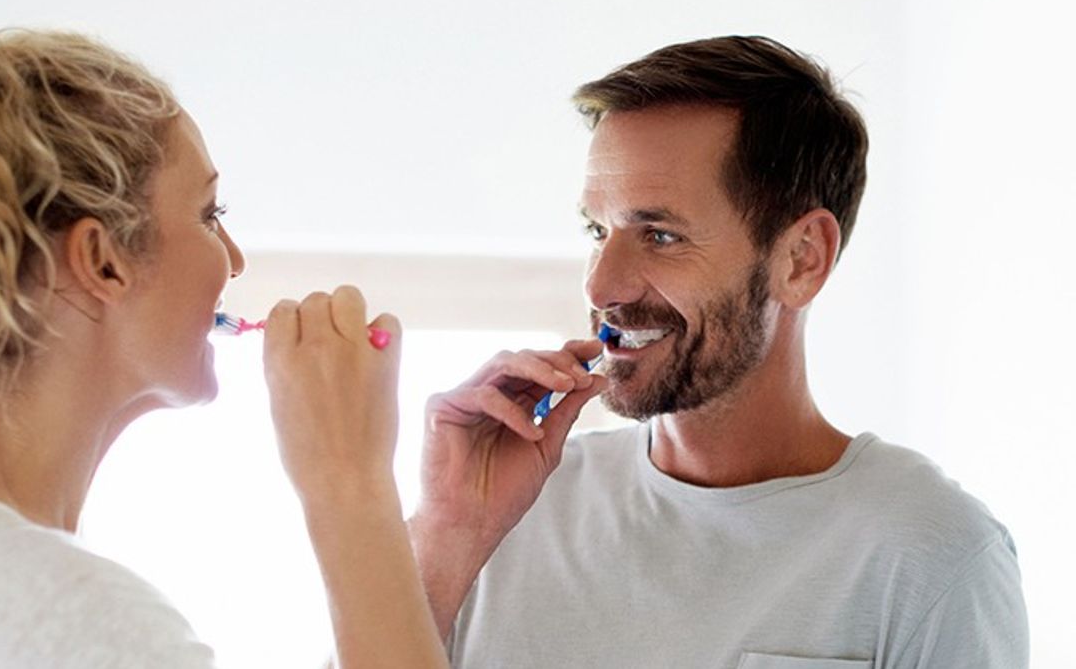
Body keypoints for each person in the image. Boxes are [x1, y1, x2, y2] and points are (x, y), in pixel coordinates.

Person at [0, 0, 565, 668]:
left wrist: (443, 538)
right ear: (102, 261)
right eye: (210, 214)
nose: (235, 259)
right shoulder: (56, 612)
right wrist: (348, 484)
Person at [408, 36, 1029, 667]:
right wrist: (447, 532)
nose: (600, 287)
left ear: (801, 259)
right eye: (598, 230)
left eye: (660, 235)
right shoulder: (503, 510)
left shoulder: (932, 554)